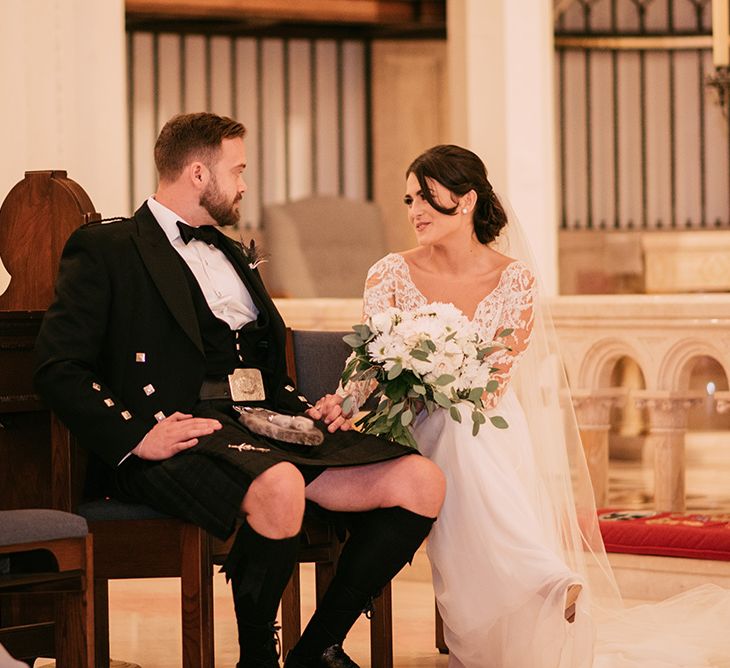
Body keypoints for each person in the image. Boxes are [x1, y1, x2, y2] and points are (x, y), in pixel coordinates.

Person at [34, 112, 445, 668]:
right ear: (199, 173)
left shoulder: (229, 251)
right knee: (279, 487)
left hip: (264, 423)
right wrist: (136, 437)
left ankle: (318, 646)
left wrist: (310, 410)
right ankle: (257, 657)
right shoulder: (108, 248)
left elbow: (266, 365)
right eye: (239, 169)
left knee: (421, 481)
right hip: (179, 433)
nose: (246, 184)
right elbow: (59, 365)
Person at [315, 144, 730, 667]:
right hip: (407, 427)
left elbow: (492, 384)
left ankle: (533, 582)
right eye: (408, 199)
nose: (414, 210)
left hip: (484, 424)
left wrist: (445, 375)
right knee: (456, 429)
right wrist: (342, 401)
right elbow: (371, 361)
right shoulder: (389, 273)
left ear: (465, 201)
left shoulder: (513, 281)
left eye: (426, 197)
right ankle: (540, 576)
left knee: (466, 427)